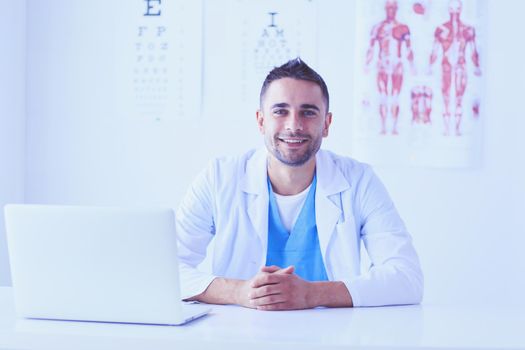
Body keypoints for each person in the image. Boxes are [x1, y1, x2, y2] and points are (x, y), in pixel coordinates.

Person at [176, 58, 423, 310]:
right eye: (280, 111)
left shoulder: (358, 181)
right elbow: (165, 269)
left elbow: (406, 278)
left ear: (326, 124)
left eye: (308, 112)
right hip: (240, 337)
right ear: (261, 121)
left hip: (333, 337)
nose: (294, 125)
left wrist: (312, 294)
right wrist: (239, 292)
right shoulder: (219, 178)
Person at [429, 0, 481, 136]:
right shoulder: (441, 29)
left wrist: (477, 66)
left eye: (456, 9)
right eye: (452, 9)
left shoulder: (467, 30)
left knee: (459, 98)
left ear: (461, 10)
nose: (454, 13)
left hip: (460, 66)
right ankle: (446, 129)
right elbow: (435, 50)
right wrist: (429, 67)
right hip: (446, 66)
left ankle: (457, 129)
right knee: (446, 97)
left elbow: (473, 50)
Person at [365, 0, 416, 135]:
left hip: (397, 66)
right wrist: (366, 65)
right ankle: (382, 127)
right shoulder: (378, 27)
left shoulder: (403, 28)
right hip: (382, 65)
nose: (391, 10)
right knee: (382, 96)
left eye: (393, 8)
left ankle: (394, 127)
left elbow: (409, 49)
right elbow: (371, 48)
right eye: (389, 8)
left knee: (395, 97)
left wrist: (412, 66)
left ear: (397, 9)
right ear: (386, 9)